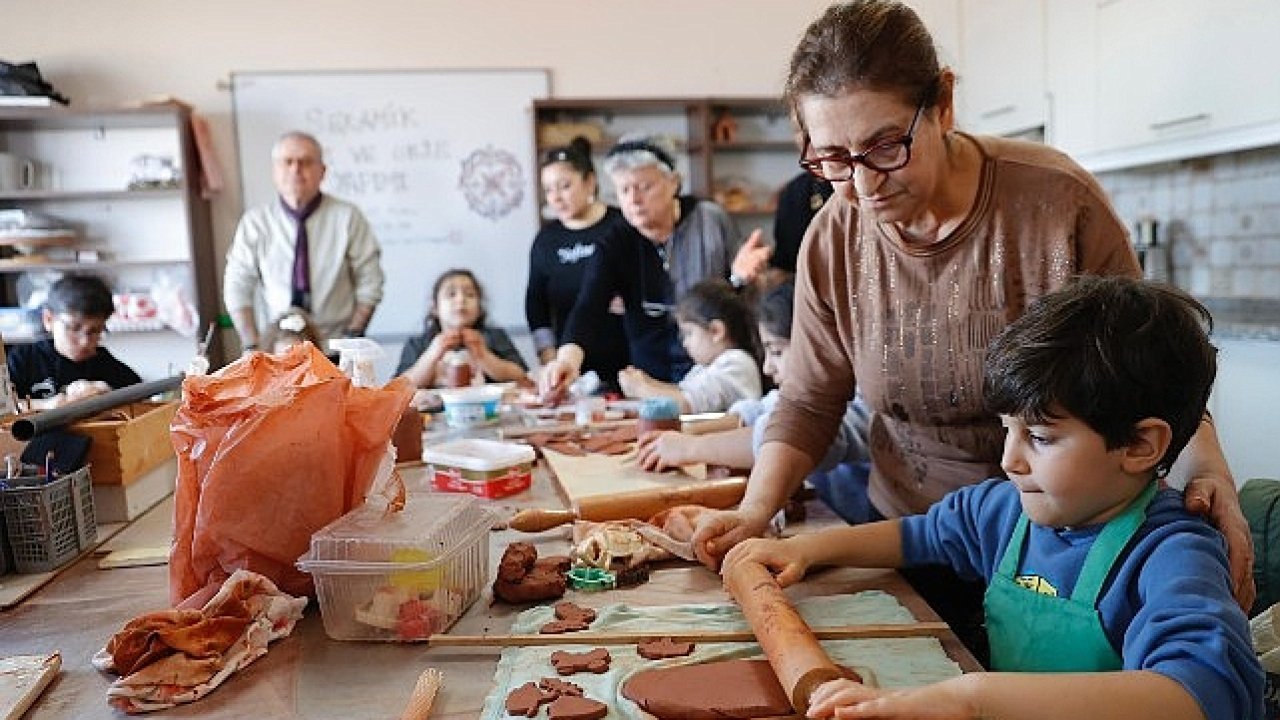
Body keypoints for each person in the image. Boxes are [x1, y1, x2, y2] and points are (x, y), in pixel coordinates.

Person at [691, 0, 1254, 614]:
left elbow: (1151, 378)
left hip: (1063, 547)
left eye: (885, 146)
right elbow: (808, 400)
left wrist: (1211, 476)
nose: (863, 185)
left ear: (943, 105)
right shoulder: (832, 237)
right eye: (831, 159)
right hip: (908, 534)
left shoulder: (1057, 206)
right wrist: (753, 512)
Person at [724, 276, 1265, 720]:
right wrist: (809, 552)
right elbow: (918, 535)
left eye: (1041, 437)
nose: (1010, 460)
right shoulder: (1008, 511)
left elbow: (1197, 694)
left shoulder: (1172, 554)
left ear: (1140, 445)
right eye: (1008, 430)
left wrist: (971, 698)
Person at [538, 133, 772, 401]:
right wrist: (566, 361)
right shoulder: (617, 239)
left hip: (715, 377)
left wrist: (738, 279)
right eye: (624, 190)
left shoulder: (710, 220)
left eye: (644, 187)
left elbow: (738, 297)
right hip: (650, 380)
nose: (634, 200)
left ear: (673, 183)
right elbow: (588, 306)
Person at [635, 277, 873, 524]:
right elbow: (761, 411)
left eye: (777, 351)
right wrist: (686, 438)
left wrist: (690, 448)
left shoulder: (861, 398)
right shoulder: (809, 391)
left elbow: (794, 432)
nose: (768, 367)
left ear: (823, 347)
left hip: (861, 528)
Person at [222, 130, 384, 351]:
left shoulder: (347, 217)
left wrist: (351, 336)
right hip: (277, 351)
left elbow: (370, 281)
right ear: (274, 171)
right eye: (287, 162)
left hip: (334, 347)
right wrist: (252, 345)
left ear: (323, 171)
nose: (296, 169)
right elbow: (237, 285)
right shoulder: (256, 223)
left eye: (306, 162)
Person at [525, 137, 630, 387]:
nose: (556, 197)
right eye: (548, 190)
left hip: (629, 359)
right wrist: (549, 355)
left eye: (564, 186)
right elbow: (536, 304)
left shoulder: (622, 225)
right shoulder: (546, 240)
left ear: (590, 182)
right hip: (572, 365)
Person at [617, 279, 762, 414]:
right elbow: (681, 392)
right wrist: (647, 382)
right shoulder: (705, 367)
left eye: (689, 333)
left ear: (716, 331)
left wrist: (641, 388)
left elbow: (687, 404)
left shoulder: (737, 363)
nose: (684, 343)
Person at [7, 275, 142, 409]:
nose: (84, 342)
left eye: (95, 331)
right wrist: (46, 406)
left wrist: (110, 396)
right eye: (74, 328)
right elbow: (5, 408)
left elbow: (141, 401)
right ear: (48, 319)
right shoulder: (22, 359)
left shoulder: (110, 367)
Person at [395, 269, 527, 390]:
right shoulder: (417, 343)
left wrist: (483, 355)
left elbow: (521, 375)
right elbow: (400, 387)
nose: (461, 299)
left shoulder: (494, 336)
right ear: (435, 307)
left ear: (480, 308)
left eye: (470, 295)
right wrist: (433, 353)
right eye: (451, 294)